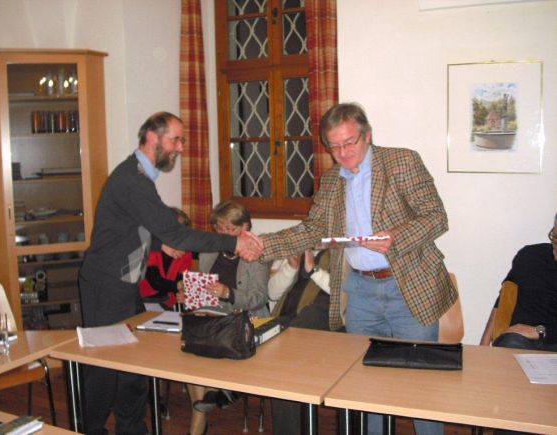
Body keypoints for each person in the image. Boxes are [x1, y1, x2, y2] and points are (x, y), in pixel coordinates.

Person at [260, 102, 457, 435]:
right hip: (361, 293)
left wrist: (397, 237)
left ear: (367, 136)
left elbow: (436, 217)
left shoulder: (401, 162)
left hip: (407, 287)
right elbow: (312, 229)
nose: (343, 153)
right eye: (334, 146)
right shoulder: (330, 181)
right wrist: (263, 245)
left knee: (422, 386)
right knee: (366, 387)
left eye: (349, 142)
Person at [78, 111, 263, 435]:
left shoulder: (139, 176)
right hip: (105, 286)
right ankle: (88, 430)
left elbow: (127, 228)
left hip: (123, 285)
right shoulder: (132, 180)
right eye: (175, 140)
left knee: (133, 365)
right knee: (104, 368)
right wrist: (234, 241)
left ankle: (131, 430)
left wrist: (158, 246)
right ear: (153, 138)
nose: (180, 147)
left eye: (182, 140)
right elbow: (176, 232)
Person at [186, 200, 270, 435]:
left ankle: (198, 426)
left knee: (199, 356)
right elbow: (204, 288)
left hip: (245, 320)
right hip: (212, 317)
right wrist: (191, 294)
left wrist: (228, 293)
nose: (224, 234)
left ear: (245, 227)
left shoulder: (256, 254)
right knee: (192, 356)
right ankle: (216, 396)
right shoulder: (209, 249)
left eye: (230, 229)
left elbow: (258, 298)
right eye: (220, 228)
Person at [268, 249, 332, 435]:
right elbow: (272, 293)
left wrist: (314, 270)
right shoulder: (298, 244)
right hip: (287, 320)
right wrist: (290, 268)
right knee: (281, 363)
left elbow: (342, 294)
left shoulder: (342, 248)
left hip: (322, 322)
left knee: (286, 353)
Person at [480, 212, 557, 352]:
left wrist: (539, 331)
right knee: (510, 344)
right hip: (519, 340)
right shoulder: (530, 256)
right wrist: (484, 345)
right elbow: (503, 299)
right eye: (555, 237)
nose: (555, 246)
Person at [139, 207, 192, 310]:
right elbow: (155, 282)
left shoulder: (186, 253)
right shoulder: (151, 248)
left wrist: (184, 294)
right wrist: (179, 285)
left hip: (166, 302)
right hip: (143, 299)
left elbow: (181, 281)